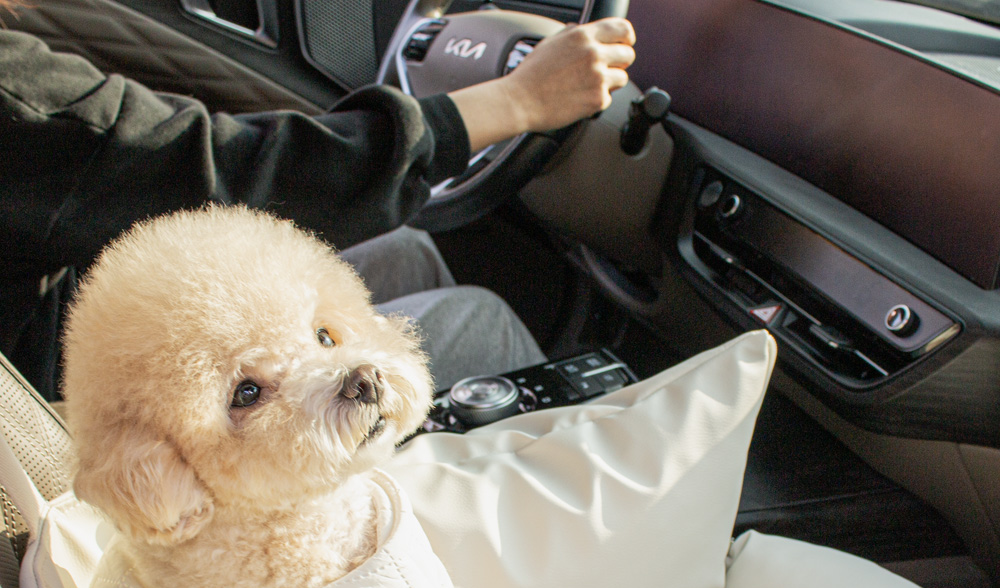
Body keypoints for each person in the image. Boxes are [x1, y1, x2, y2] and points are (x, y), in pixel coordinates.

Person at [0, 7, 636, 400]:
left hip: (53, 339)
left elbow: (136, 168)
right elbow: (218, 168)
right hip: (68, 415)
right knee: (478, 323)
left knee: (408, 252)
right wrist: (518, 102)